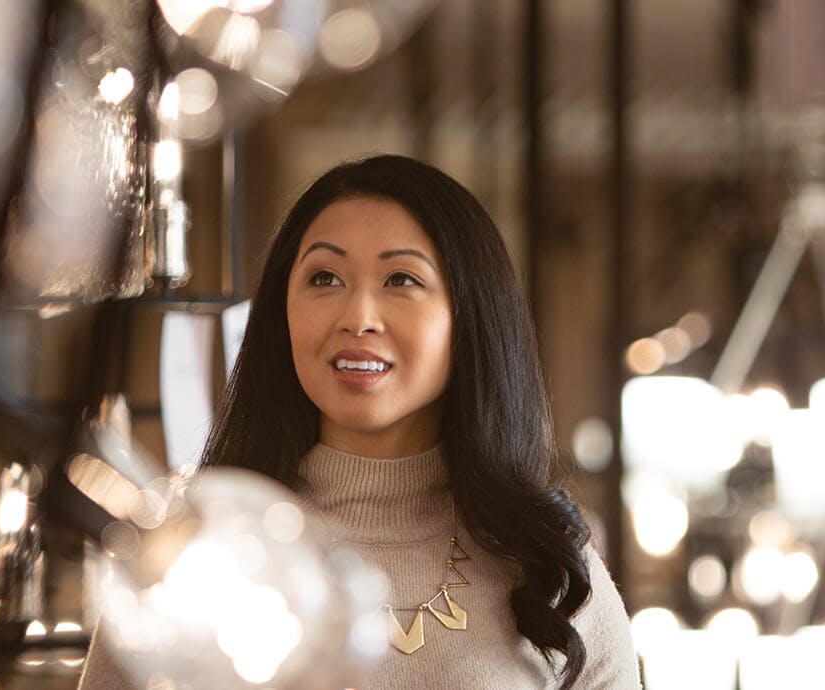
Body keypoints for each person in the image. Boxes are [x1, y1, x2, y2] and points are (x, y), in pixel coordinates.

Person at [79, 154, 638, 688]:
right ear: (282, 313)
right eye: (325, 278)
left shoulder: (549, 561)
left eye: (401, 280)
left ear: (469, 317)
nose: (359, 318)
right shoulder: (190, 542)